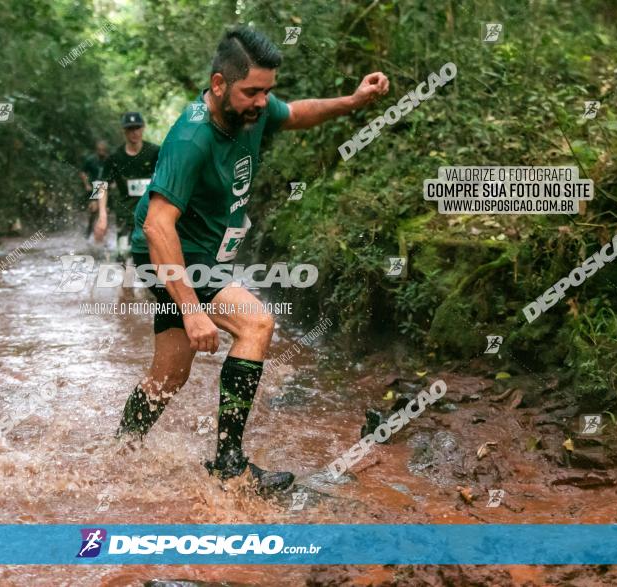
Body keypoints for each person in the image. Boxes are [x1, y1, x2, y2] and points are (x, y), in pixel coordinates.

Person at [115, 26, 389, 496]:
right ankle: (230, 465)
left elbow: (296, 114)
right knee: (257, 324)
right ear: (219, 84)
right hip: (172, 251)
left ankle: (120, 449)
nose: (263, 102)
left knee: (171, 372)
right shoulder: (192, 138)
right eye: (252, 92)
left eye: (268, 90)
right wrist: (192, 309)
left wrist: (353, 101)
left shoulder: (253, 110)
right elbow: (157, 226)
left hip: (197, 251)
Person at [93, 112, 160, 262]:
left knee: (153, 263)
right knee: (124, 258)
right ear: (124, 131)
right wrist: (102, 216)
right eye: (130, 129)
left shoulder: (155, 152)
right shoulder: (115, 158)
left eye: (137, 128)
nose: (134, 132)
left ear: (143, 128)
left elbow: (171, 177)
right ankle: (127, 283)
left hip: (153, 215)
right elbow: (101, 185)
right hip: (125, 215)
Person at [79, 140, 109, 240]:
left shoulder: (109, 160)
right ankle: (89, 232)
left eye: (103, 150)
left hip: (105, 188)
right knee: (94, 210)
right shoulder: (91, 160)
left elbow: (115, 172)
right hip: (94, 187)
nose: (101, 152)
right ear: (96, 150)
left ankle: (102, 236)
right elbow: (83, 172)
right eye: (99, 150)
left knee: (105, 211)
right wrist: (86, 184)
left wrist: (113, 183)